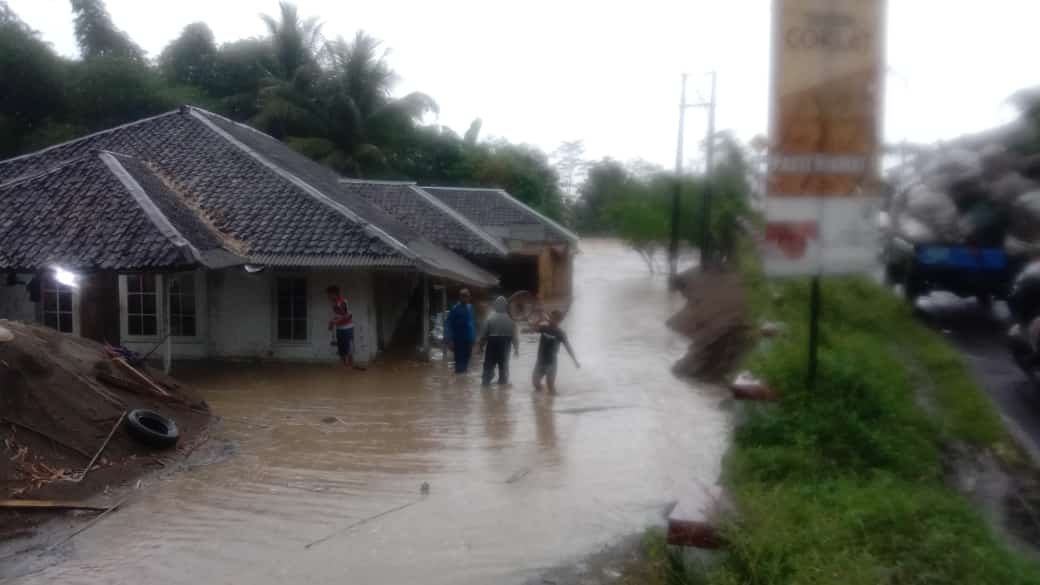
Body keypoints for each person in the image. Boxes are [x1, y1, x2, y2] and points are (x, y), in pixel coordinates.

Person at [533, 309, 580, 393]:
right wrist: (539, 320)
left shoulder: (560, 333)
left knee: (550, 387)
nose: (551, 320)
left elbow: (568, 347)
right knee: (535, 383)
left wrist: (575, 360)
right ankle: (540, 400)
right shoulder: (544, 328)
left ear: (559, 321)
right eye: (551, 317)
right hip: (540, 361)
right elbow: (534, 329)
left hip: (551, 363)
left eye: (554, 319)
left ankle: (554, 401)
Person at [478, 296, 519, 387]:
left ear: (496, 306)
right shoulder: (511, 321)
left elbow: (483, 335)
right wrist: (516, 349)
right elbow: (515, 337)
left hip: (492, 345)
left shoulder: (490, 319)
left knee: (488, 368)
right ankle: (502, 390)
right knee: (504, 368)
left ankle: (485, 387)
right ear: (505, 306)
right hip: (505, 346)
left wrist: (480, 346)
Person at [326, 285, 362, 370]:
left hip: (347, 328)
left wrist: (335, 322)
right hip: (340, 328)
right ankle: (344, 365)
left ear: (334, 294)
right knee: (341, 347)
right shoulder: (334, 303)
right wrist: (332, 322)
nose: (328, 296)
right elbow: (338, 315)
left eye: (329, 294)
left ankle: (350, 365)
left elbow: (347, 316)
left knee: (349, 347)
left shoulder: (342, 302)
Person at [444, 288, 476, 373]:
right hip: (458, 341)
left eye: (467, 297)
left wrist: (473, 339)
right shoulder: (455, 309)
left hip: (468, 340)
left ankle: (462, 381)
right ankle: (459, 381)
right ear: (460, 297)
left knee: (466, 362)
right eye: (464, 297)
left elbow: (472, 324)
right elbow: (448, 324)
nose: (466, 298)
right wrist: (449, 340)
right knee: (459, 364)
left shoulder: (470, 307)